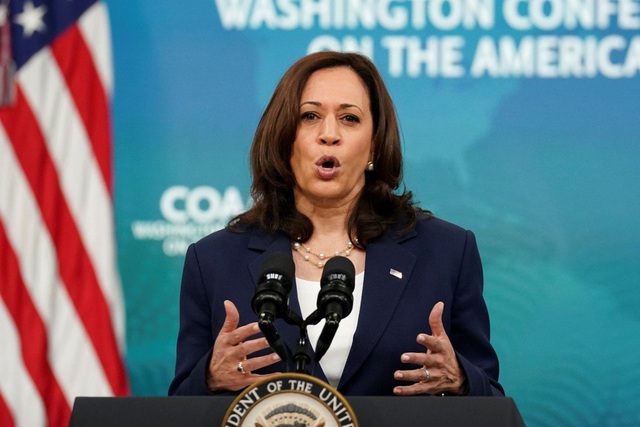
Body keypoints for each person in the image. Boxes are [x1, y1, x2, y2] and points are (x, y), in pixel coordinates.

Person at [168, 51, 503, 397]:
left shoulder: (446, 252)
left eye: (349, 118)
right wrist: (209, 377)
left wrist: (461, 379)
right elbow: (179, 407)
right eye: (310, 116)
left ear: (374, 146)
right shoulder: (214, 260)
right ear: (283, 138)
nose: (329, 134)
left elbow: (492, 403)